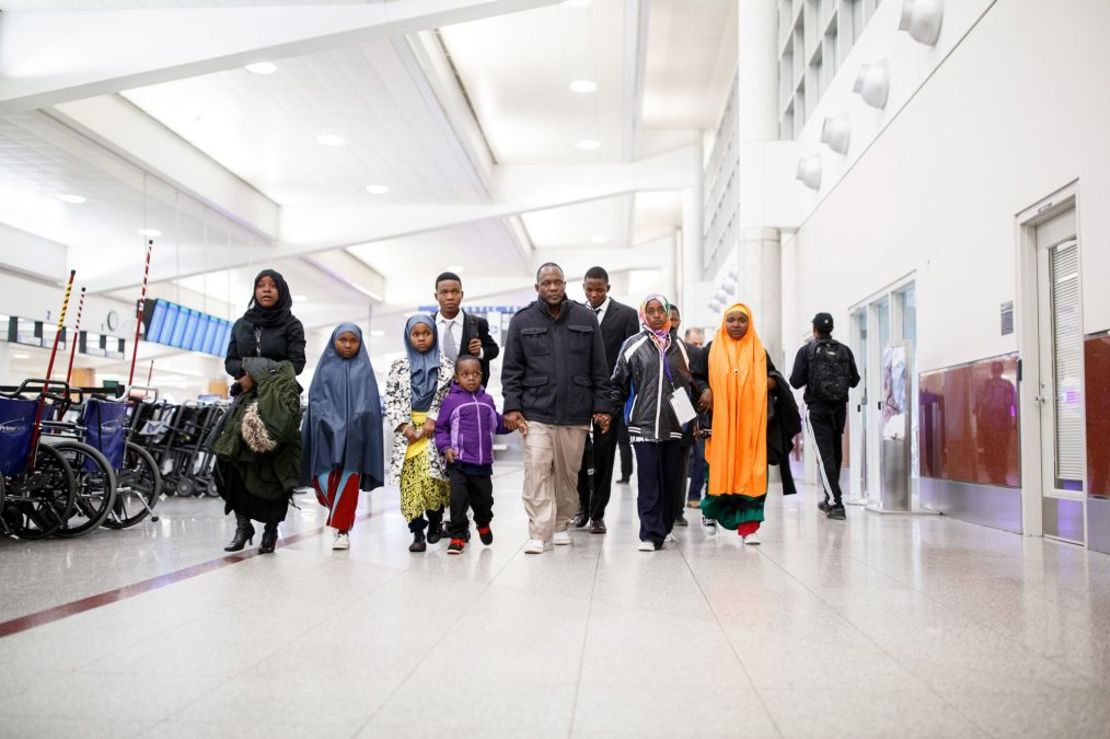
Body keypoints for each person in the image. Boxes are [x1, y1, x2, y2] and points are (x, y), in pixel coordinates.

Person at [502, 263, 612, 554]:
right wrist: (512, 406)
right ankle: (539, 530)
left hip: (575, 411)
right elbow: (511, 369)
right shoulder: (521, 321)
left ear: (565, 285)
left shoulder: (585, 318)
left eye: (558, 282)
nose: (552, 288)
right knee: (537, 468)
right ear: (537, 287)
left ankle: (561, 523)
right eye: (546, 283)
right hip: (535, 411)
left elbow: (599, 369)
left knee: (567, 473)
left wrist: (602, 407)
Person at [219, 269, 306, 555]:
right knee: (230, 461)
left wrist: (254, 372)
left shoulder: (292, 325)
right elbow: (231, 361)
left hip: (279, 403)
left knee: (274, 466)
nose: (266, 290)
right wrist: (243, 373)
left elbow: (296, 364)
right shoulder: (242, 325)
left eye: (272, 286)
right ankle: (243, 526)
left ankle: (271, 530)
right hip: (245, 400)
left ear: (281, 291)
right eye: (260, 285)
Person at [609, 295, 693, 551]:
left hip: (674, 425)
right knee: (648, 480)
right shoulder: (632, 345)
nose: (656, 315)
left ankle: (665, 527)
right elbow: (618, 383)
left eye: (660, 311)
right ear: (643, 315)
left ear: (667, 314)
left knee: (670, 481)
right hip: (642, 425)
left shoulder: (680, 347)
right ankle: (649, 532)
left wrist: (692, 420)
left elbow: (689, 386)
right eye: (651, 311)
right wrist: (609, 413)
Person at [691, 303, 777, 545]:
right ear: (724, 322)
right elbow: (696, 377)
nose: (736, 324)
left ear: (750, 323)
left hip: (751, 428)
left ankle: (749, 528)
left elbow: (774, 377)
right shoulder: (711, 349)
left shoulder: (758, 350)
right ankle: (710, 513)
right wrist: (706, 390)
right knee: (718, 470)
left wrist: (768, 383)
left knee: (751, 473)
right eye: (731, 320)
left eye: (742, 320)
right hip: (720, 425)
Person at [301, 324, 384, 551]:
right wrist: (327, 423)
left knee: (348, 480)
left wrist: (355, 423)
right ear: (334, 341)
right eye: (343, 340)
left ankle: (342, 531)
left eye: (353, 340)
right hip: (326, 433)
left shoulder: (365, 371)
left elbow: (369, 405)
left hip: (355, 435)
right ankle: (337, 511)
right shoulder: (324, 369)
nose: (348, 344)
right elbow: (316, 401)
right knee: (322, 478)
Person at [434, 355, 523, 555]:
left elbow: (498, 425)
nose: (471, 378)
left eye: (475, 373)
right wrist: (445, 447)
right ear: (457, 378)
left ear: (482, 375)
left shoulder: (487, 400)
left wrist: (515, 424)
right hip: (459, 463)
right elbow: (441, 429)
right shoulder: (451, 401)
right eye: (465, 374)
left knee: (484, 501)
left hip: (482, 465)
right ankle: (457, 536)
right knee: (458, 502)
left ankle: (483, 522)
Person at [573, 266, 639, 534]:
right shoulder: (576, 313)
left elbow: (631, 361)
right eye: (589, 289)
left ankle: (598, 513)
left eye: (599, 289)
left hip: (610, 399)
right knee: (577, 456)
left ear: (608, 287)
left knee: (603, 457)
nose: (594, 293)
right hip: (578, 398)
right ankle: (581, 508)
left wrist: (616, 405)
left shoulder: (626, 315)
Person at [386, 315, 454, 552]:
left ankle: (435, 522)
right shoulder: (398, 366)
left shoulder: (446, 366)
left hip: (434, 431)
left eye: (427, 333)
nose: (422, 338)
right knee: (410, 485)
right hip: (408, 435)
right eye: (416, 334)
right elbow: (391, 400)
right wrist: (404, 427)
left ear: (434, 335)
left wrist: (433, 418)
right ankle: (417, 532)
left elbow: (450, 399)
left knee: (432, 482)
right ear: (408, 336)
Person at [788, 312, 860, 520]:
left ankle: (837, 504)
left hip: (817, 409)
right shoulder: (844, 350)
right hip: (839, 408)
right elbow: (854, 380)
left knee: (824, 455)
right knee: (835, 453)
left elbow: (795, 381)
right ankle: (830, 498)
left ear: (815, 330)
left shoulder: (808, 350)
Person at [431, 271, 500, 387]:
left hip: (469, 394)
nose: (450, 297)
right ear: (436, 296)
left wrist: (480, 352)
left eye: (455, 292)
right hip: (435, 393)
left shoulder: (478, 324)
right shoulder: (427, 324)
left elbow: (494, 350)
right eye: (444, 292)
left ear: (461, 295)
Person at [668, 304, 695, 528]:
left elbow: (696, 385)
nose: (671, 322)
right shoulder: (645, 346)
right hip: (655, 414)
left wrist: (695, 421)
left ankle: (677, 510)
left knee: (680, 465)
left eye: (675, 318)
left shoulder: (688, 350)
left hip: (683, 413)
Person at [684, 327, 707, 509]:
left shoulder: (706, 361)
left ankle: (694, 496)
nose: (698, 347)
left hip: (700, 415)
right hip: (681, 414)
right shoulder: (678, 359)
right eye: (694, 344)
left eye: (701, 343)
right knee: (680, 458)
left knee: (701, 456)